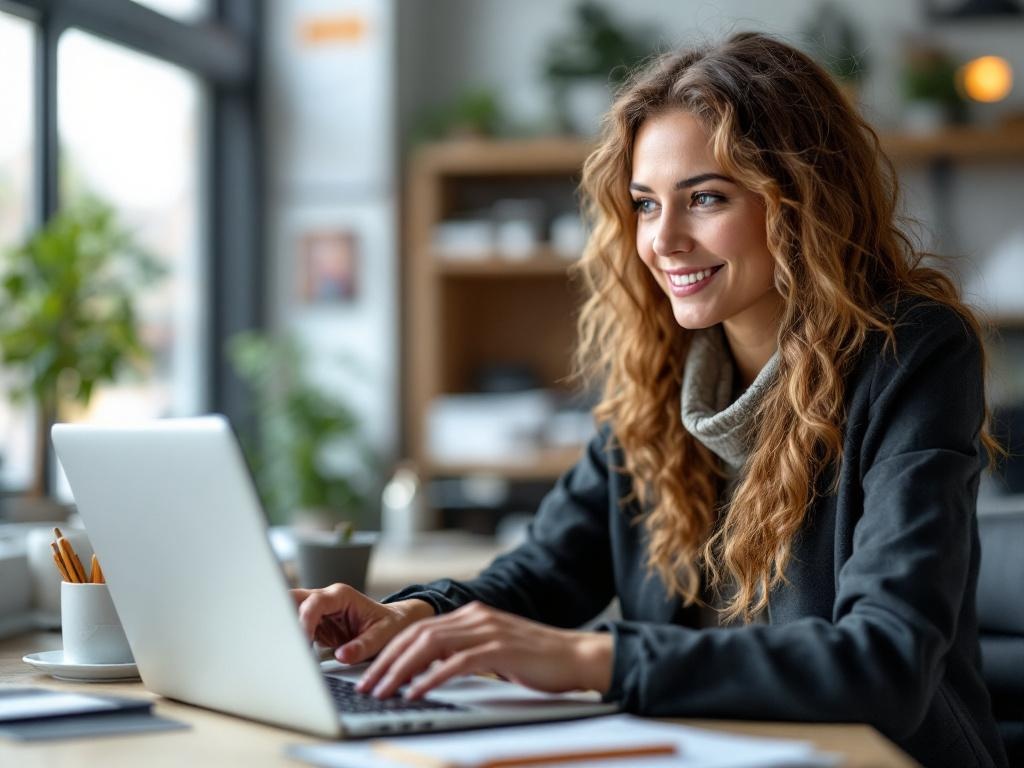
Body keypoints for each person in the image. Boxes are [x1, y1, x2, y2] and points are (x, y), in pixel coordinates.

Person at [292, 32, 1007, 768]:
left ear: (800, 201)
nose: (663, 240)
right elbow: (546, 572)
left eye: (705, 198)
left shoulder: (910, 351)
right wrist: (416, 615)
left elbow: (884, 664)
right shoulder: (662, 373)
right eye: (644, 204)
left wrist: (592, 660)